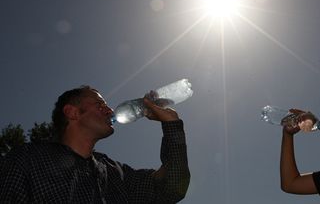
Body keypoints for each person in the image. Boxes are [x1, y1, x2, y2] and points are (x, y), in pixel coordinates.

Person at [0, 85, 190, 203]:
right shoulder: (27, 160)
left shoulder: (116, 175)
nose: (109, 109)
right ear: (73, 113)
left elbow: (171, 189)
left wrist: (171, 126)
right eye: (100, 105)